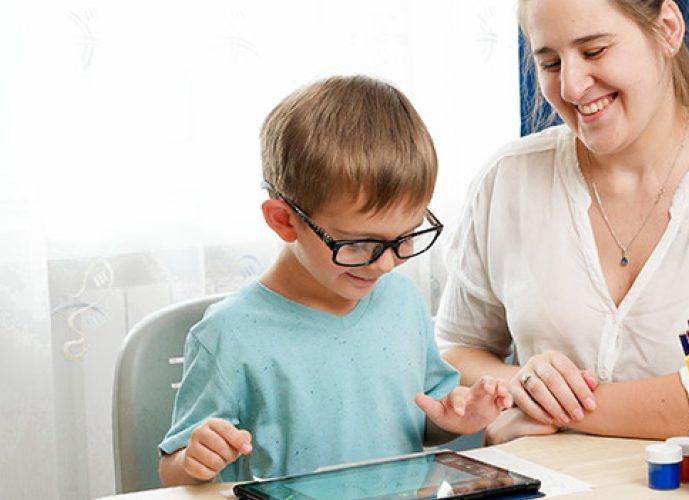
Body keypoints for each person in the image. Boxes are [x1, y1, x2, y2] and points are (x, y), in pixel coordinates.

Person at [435, 0, 689, 445]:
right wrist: (523, 379)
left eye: (595, 51)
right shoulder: (508, 178)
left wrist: (552, 405)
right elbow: (452, 351)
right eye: (550, 62)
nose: (573, 85)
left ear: (667, 29)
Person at [158, 75, 512, 486]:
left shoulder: (402, 301)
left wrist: (456, 418)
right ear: (285, 221)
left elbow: (427, 418)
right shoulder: (228, 334)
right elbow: (172, 472)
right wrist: (195, 459)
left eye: (406, 237)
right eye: (361, 244)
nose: (386, 265)